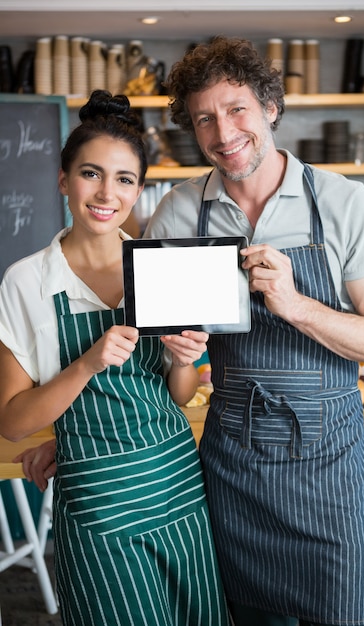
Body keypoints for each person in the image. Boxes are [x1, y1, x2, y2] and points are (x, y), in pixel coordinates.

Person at [13, 38, 364, 626]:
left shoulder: (344, 203)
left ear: (270, 107)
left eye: (237, 109)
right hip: (231, 463)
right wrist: (78, 443)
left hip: (326, 461)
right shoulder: (178, 211)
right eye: (204, 119)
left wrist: (294, 304)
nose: (223, 132)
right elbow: (153, 357)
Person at [0, 90, 230, 626]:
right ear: (63, 180)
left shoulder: (158, 265)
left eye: (124, 179)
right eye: (90, 173)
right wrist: (87, 363)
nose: (107, 193)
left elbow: (178, 394)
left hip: (179, 490)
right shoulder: (26, 282)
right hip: (99, 510)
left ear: (139, 191)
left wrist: (182, 361)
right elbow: (12, 422)